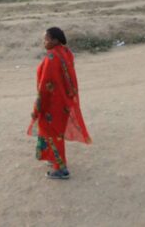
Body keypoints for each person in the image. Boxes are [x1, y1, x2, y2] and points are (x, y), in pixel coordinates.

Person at [27, 27, 91, 179]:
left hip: (52, 103)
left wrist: (37, 107)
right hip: (64, 102)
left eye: (47, 39)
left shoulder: (51, 58)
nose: (44, 42)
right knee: (54, 133)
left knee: (53, 133)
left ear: (55, 40)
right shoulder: (65, 52)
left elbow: (45, 87)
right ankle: (52, 157)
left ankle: (61, 169)